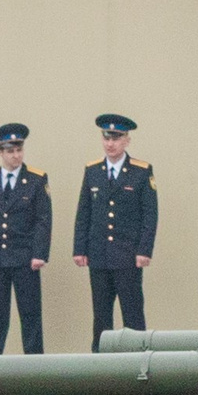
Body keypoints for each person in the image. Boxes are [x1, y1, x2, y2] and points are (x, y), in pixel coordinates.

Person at [73, 113, 158, 344]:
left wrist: (144, 250)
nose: (110, 144)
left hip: (127, 255)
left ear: (126, 141)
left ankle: (140, 362)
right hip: (99, 254)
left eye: (116, 138)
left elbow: (150, 215)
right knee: (101, 316)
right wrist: (79, 248)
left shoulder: (141, 171)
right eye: (106, 138)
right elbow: (84, 212)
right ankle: (101, 365)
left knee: (132, 313)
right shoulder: (93, 171)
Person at [0, 122, 51, 354]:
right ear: (1, 152)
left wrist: (39, 253)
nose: (16, 155)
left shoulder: (36, 179)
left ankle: (35, 367)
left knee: (30, 315)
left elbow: (43, 220)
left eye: (19, 150)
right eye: (10, 151)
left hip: (24, 257)